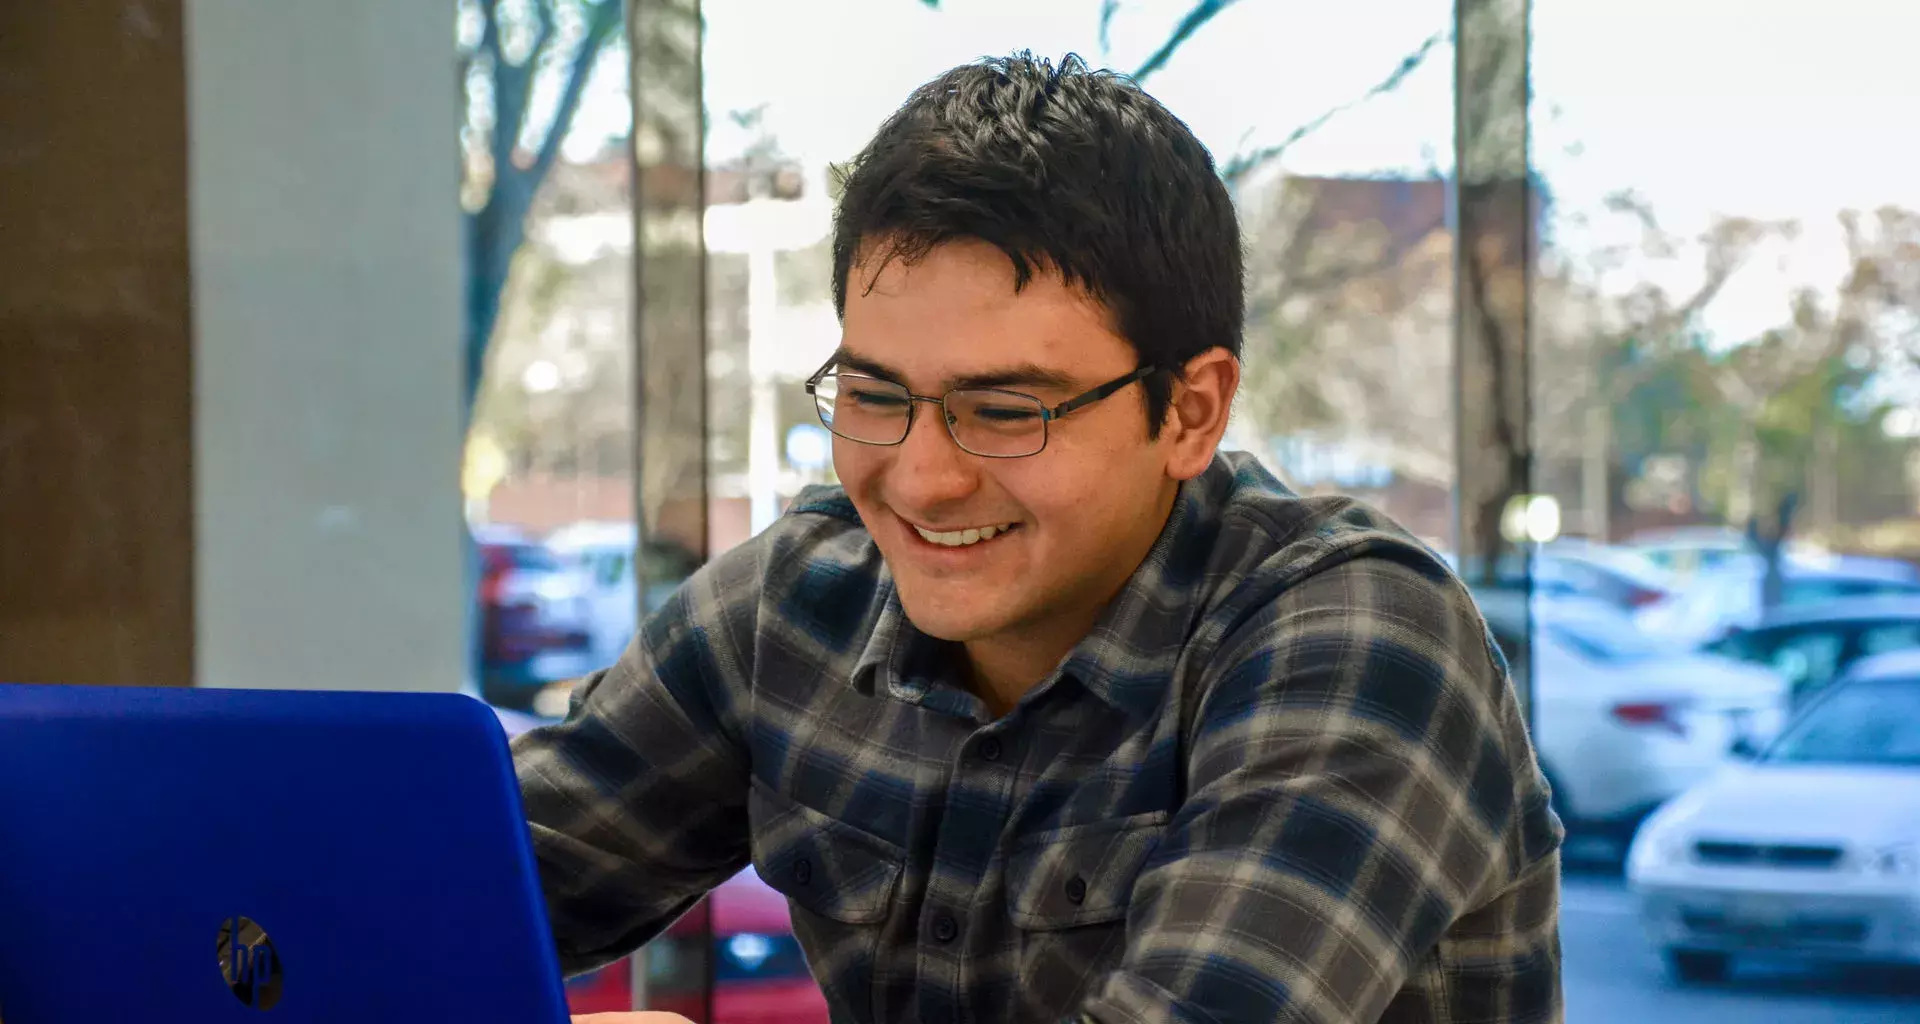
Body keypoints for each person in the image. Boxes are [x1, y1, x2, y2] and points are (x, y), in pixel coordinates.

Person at [527, 51, 1563, 1024]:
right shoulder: (801, 602)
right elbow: (449, 897)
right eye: (877, 394)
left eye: (1009, 409)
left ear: (1191, 412)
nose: (923, 477)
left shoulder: (1361, 640)